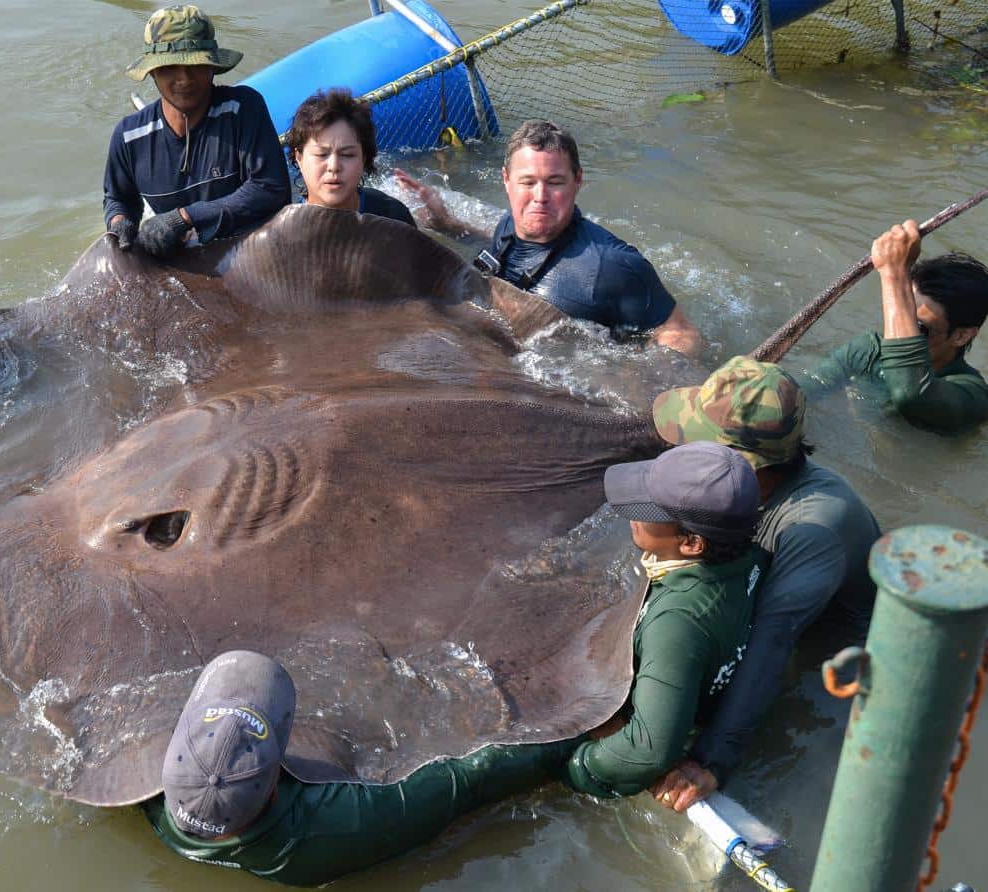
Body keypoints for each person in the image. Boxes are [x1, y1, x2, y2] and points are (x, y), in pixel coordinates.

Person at [646, 357, 882, 812]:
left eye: (698, 447)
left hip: (839, 652)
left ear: (745, 465)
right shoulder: (744, 492)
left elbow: (772, 644)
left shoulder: (813, 528)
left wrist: (711, 760)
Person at [145, 650, 581, 886]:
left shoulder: (141, 795)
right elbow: (468, 780)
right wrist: (578, 734)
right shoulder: (343, 822)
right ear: (274, 787)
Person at [393, 120, 701, 355]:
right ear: (507, 181)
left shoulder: (612, 266)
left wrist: (628, 379)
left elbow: (683, 335)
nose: (540, 197)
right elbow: (499, 257)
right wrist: (445, 223)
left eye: (555, 182)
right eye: (528, 182)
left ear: (577, 181)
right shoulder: (509, 225)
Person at [563, 441, 763, 801]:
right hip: (691, 678)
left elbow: (649, 752)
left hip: (641, 724)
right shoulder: (750, 553)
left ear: (691, 544)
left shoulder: (677, 621)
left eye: (648, 509)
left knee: (476, 770)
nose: (634, 514)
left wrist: (582, 766)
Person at [103, 5, 291, 258]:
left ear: (212, 66)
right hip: (178, 255)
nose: (184, 79)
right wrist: (118, 222)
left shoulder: (243, 109)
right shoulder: (128, 137)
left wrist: (186, 217)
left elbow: (270, 188)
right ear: (152, 73)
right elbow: (118, 198)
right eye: (169, 68)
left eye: (196, 65)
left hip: (247, 252)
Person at [805, 220, 988, 434]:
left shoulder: (973, 396)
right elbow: (799, 396)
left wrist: (894, 274)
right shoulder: (869, 352)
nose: (900, 330)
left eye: (916, 325)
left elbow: (911, 394)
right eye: (900, 313)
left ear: (961, 335)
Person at [286, 89, 416, 226]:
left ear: (364, 158)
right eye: (321, 154)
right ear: (299, 158)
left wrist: (439, 222)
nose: (334, 166)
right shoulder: (283, 234)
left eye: (347, 154)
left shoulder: (394, 217)